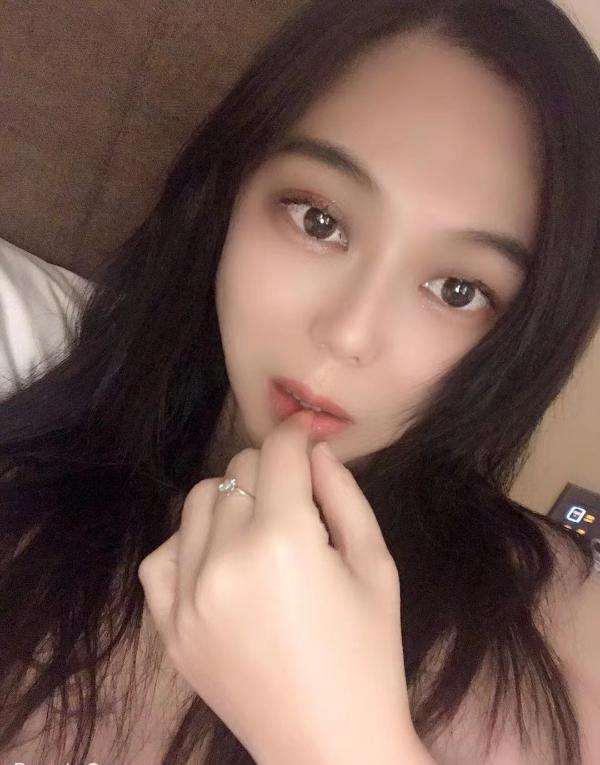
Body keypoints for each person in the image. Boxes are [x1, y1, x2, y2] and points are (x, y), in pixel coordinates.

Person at [1, 0, 599, 763]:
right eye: (319, 221)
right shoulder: (26, 503)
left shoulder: (566, 630)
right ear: (228, 194)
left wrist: (332, 735)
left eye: (457, 290)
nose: (348, 334)